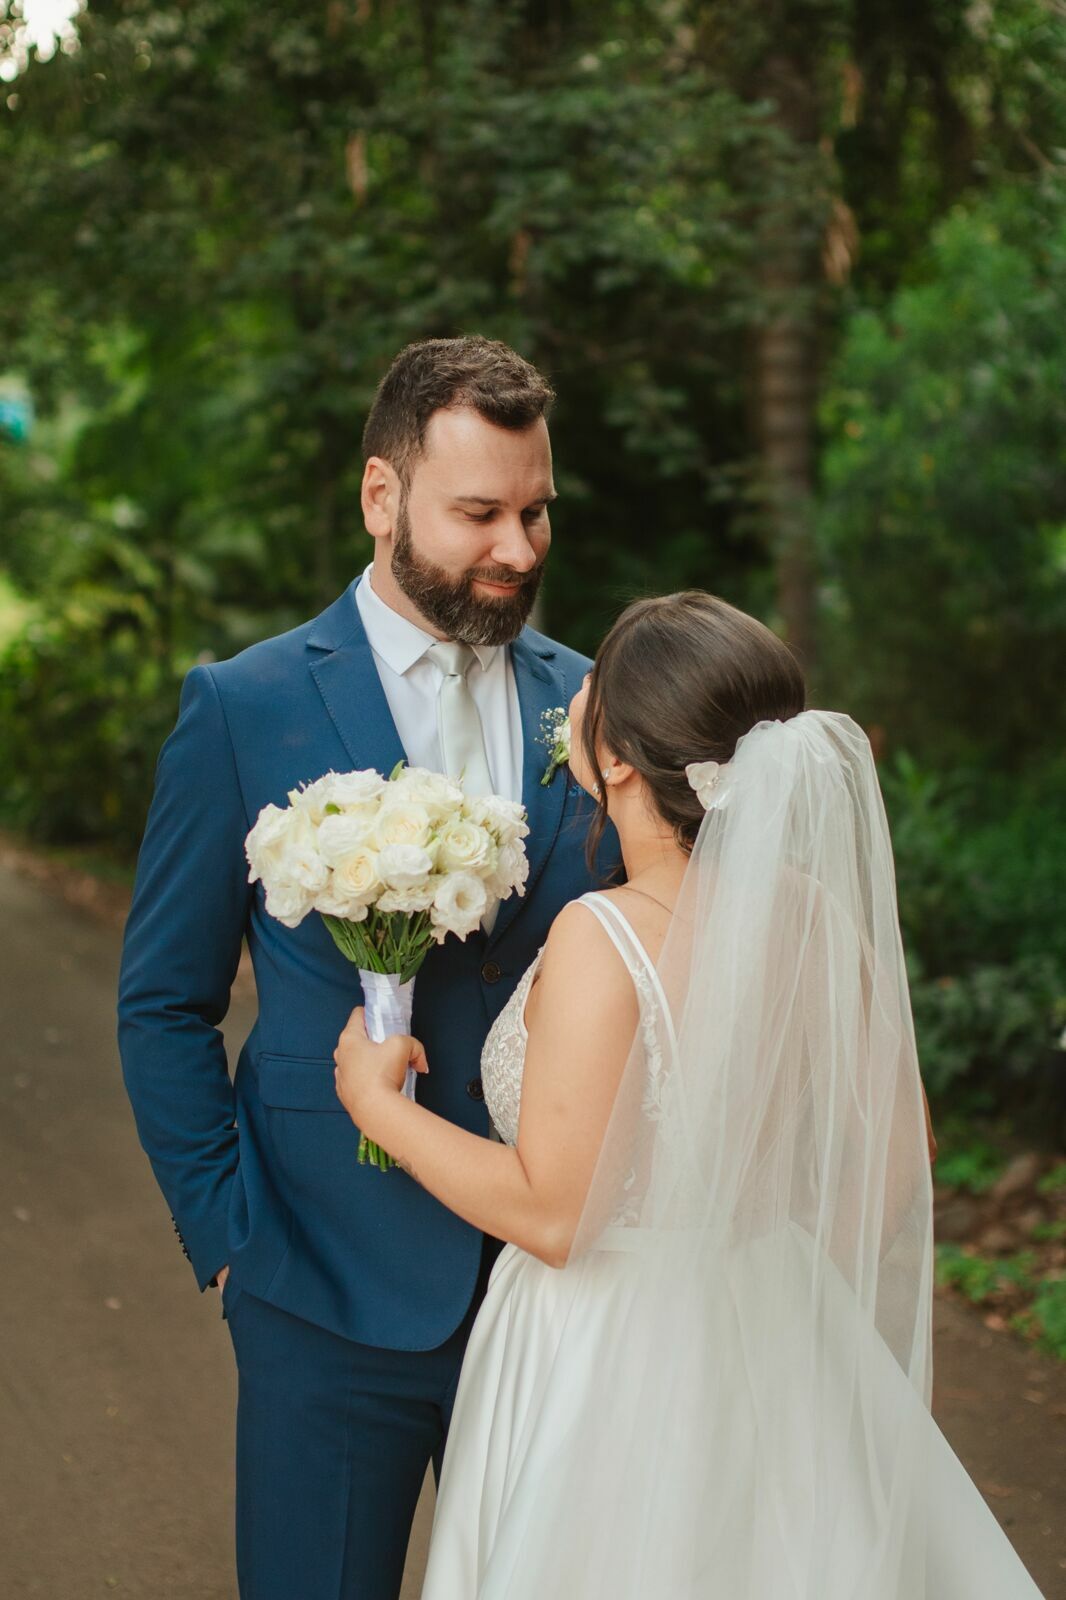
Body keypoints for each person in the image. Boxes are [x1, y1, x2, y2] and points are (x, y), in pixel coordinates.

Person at [333, 590, 1045, 1599]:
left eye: (592, 688)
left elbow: (554, 1212)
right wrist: (748, 1251)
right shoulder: (813, 919)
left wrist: (378, 1107)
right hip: (772, 1314)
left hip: (605, 1353)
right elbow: (899, 1156)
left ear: (620, 759)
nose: (574, 694)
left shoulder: (603, 935)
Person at [116, 335, 619, 1600]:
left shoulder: (595, 709)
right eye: (479, 513)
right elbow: (163, 1002)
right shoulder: (244, 704)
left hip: (549, 1291)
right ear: (381, 498)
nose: (519, 547)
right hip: (315, 1283)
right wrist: (231, 1238)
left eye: (536, 510)